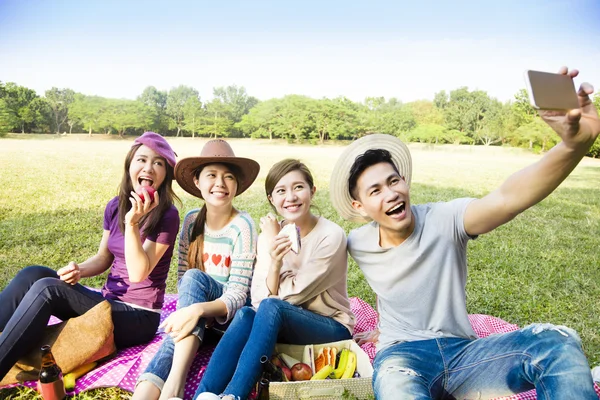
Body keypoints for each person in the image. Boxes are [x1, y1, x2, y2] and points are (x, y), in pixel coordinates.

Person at [329, 67, 600, 399]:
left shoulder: (445, 218)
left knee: (558, 340)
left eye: (394, 181)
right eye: (375, 191)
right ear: (359, 207)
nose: (391, 194)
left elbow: (507, 198)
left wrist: (574, 146)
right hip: (402, 358)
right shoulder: (357, 243)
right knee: (398, 389)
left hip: (465, 356)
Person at [0, 131, 180, 380]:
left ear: (165, 175)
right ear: (130, 165)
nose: (149, 167)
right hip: (106, 301)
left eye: (158, 163)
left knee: (47, 290)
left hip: (137, 317)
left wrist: (132, 224)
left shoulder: (167, 215)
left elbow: (139, 272)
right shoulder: (115, 205)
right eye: (142, 159)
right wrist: (80, 269)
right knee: (35, 274)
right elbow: (104, 257)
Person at [195, 159, 356, 400]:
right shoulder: (269, 236)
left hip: (330, 325)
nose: (290, 197)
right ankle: (203, 395)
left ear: (312, 191)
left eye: (298, 187)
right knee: (247, 314)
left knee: (272, 307)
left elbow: (291, 297)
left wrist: (274, 271)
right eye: (281, 191)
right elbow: (258, 297)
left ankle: (233, 396)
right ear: (272, 199)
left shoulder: (331, 235)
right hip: (283, 323)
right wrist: (276, 259)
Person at [133, 139, 260, 400]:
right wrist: (193, 311)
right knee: (176, 332)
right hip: (199, 317)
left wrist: (196, 309)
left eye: (228, 177)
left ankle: (174, 387)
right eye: (211, 175)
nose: (220, 184)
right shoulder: (192, 220)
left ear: (236, 184)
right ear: (198, 181)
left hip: (230, 318)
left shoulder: (243, 226)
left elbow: (238, 294)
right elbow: (183, 281)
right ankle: (144, 394)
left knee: (190, 293)